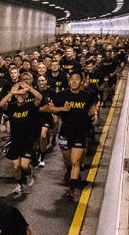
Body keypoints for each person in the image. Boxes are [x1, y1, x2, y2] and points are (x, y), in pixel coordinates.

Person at [49, 70, 99, 200]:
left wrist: (95, 114)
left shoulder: (87, 95)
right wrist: (62, 109)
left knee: (75, 161)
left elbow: (93, 106)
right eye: (72, 79)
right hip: (65, 131)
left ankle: (71, 189)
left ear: (81, 81)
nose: (74, 81)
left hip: (80, 132)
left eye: (77, 79)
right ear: (69, 81)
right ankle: (69, 171)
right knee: (67, 161)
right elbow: (51, 108)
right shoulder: (62, 95)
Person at [0, 80, 43, 194]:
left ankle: (29, 175)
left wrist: (29, 89)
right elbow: (1, 104)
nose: (21, 97)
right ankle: (19, 185)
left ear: (26, 96)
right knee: (16, 167)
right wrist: (10, 93)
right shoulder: (12, 107)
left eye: (23, 95)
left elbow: (39, 98)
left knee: (24, 166)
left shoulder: (30, 106)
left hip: (27, 140)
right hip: (14, 140)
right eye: (19, 94)